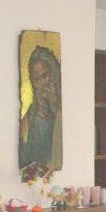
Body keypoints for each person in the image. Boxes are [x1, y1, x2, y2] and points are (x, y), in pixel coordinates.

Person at [19, 46, 63, 177]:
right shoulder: (30, 115)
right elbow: (25, 157)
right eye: (36, 79)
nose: (42, 83)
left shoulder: (63, 111)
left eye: (44, 76)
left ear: (53, 74)